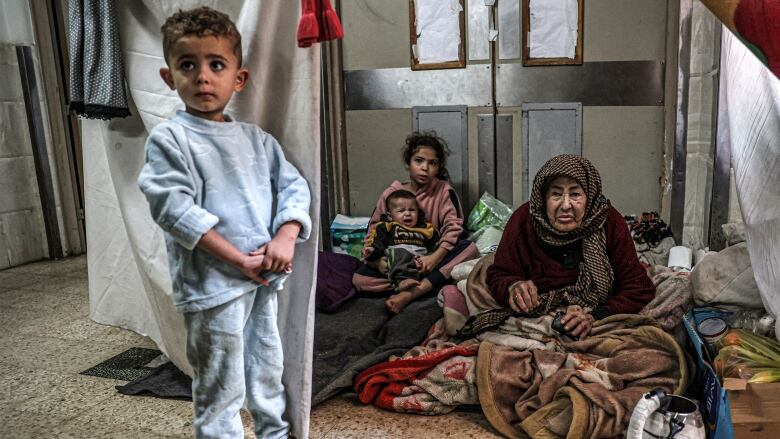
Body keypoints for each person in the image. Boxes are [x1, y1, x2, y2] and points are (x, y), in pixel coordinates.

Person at [137, 7, 310, 438]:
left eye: (216, 65)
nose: (202, 77)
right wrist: (238, 260)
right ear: (168, 77)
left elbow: (294, 188)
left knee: (267, 371)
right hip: (212, 290)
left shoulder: (257, 140)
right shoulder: (171, 140)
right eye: (187, 65)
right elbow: (173, 210)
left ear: (239, 78)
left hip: (260, 282)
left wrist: (286, 236)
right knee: (221, 388)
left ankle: (275, 433)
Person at [486, 154, 655, 339]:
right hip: (539, 312)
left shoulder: (608, 222)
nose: (565, 205)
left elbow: (636, 287)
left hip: (596, 309)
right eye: (556, 194)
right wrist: (513, 286)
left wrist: (594, 316)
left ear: (589, 196)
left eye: (575, 194)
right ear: (543, 198)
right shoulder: (524, 221)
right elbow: (498, 274)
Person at [353, 131, 479, 314]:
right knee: (360, 279)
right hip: (396, 262)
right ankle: (426, 284)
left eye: (432, 163)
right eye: (418, 161)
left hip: (426, 260)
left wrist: (432, 258)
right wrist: (377, 262)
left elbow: (454, 229)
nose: (425, 168)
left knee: (469, 249)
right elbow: (373, 230)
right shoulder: (391, 193)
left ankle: (412, 292)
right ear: (408, 163)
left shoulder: (443, 191)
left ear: (439, 167)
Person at [364, 189, 440, 294]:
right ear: (390, 216)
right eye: (401, 211)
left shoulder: (427, 229)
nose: (408, 214)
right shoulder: (387, 226)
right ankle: (403, 280)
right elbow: (378, 242)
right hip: (397, 255)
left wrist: (430, 257)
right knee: (400, 252)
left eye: (412, 210)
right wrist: (372, 251)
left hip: (420, 259)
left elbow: (436, 245)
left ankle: (408, 280)